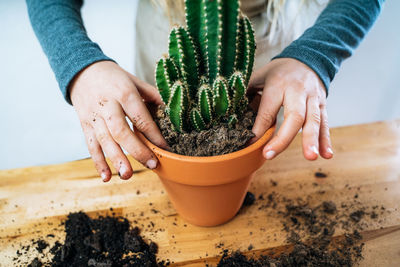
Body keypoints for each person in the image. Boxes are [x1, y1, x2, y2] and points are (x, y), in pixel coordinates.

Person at [26, 0, 383, 182]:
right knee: (159, 110)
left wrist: (314, 56)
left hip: (271, 33)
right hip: (166, 23)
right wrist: (80, 66)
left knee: (262, 131)